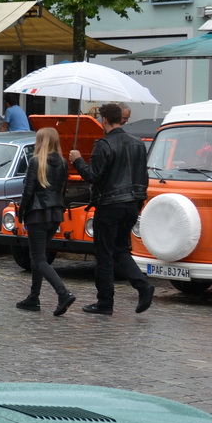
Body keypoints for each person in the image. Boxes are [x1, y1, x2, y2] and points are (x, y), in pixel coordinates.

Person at [70, 101, 155, 315]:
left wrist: (78, 160)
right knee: (120, 250)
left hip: (110, 205)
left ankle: (105, 302)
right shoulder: (137, 143)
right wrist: (138, 202)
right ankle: (143, 285)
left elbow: (93, 177)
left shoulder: (104, 144)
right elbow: (143, 177)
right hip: (131, 204)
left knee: (105, 254)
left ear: (104, 120)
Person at [16, 126, 76, 316]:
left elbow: (28, 191)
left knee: (39, 259)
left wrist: (21, 212)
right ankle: (33, 298)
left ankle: (63, 293)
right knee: (38, 257)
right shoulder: (64, 163)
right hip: (55, 213)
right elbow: (63, 190)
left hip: (37, 213)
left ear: (40, 141)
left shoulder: (36, 161)